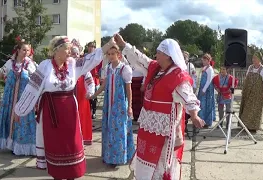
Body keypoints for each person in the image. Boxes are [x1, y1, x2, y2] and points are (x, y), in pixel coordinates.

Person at [14, 36, 115, 180]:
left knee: (72, 144)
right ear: (56, 50)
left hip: (70, 111)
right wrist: (19, 110)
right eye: (66, 49)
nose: (69, 52)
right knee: (56, 145)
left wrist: (108, 45)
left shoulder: (73, 64)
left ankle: (72, 174)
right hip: (51, 112)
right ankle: (58, 174)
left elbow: (90, 59)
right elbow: (32, 88)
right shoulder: (45, 66)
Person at [114, 33, 204, 180]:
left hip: (164, 128)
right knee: (146, 156)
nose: (156, 55)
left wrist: (194, 115)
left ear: (168, 56)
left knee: (160, 162)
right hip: (149, 123)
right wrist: (124, 44)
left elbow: (189, 97)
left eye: (159, 53)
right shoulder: (156, 68)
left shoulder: (177, 75)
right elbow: (140, 58)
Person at [0, 41, 37, 156]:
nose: (26, 52)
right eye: (24, 50)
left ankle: (21, 146)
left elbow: (37, 80)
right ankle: (11, 144)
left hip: (23, 99)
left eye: (28, 50)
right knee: (9, 119)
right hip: (9, 99)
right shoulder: (10, 63)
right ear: (18, 50)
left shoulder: (30, 64)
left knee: (22, 121)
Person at [89, 45, 135, 167]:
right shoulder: (108, 68)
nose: (110, 56)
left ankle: (119, 157)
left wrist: (129, 106)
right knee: (109, 129)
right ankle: (109, 155)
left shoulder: (124, 69)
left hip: (119, 104)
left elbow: (128, 89)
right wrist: (94, 95)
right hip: (108, 104)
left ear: (119, 55)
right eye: (108, 54)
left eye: (113, 53)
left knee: (119, 130)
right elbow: (104, 85)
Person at [71, 45, 95, 145]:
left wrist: (90, 92)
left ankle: (81, 139)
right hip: (69, 99)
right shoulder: (66, 67)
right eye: (72, 53)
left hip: (81, 98)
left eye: (76, 53)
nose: (75, 55)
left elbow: (90, 82)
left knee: (81, 117)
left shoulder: (84, 68)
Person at [239, 51, 263, 132]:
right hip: (248, 92)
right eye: (253, 58)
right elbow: (246, 79)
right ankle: (245, 125)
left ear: (259, 59)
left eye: (255, 58)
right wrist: (243, 89)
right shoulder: (250, 67)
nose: (253, 59)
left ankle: (253, 127)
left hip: (257, 94)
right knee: (246, 109)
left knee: (255, 110)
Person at [198, 53, 216, 127]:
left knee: (207, 105)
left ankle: (206, 121)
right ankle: (201, 120)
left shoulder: (210, 69)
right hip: (202, 88)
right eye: (203, 60)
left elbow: (209, 80)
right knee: (202, 105)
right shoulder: (205, 67)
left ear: (208, 61)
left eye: (205, 60)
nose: (203, 61)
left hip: (207, 90)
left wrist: (204, 90)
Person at [86, 41, 102, 119]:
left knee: (94, 97)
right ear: (87, 47)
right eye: (90, 46)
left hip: (95, 80)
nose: (91, 48)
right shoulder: (84, 57)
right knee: (87, 97)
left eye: (93, 46)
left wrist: (99, 73)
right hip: (86, 81)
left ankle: (94, 112)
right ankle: (88, 111)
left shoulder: (97, 58)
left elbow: (101, 68)